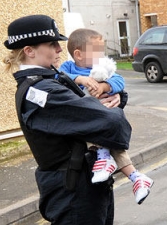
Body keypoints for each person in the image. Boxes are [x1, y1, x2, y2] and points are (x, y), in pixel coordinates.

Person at [3, 14, 132, 224]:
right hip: (74, 191)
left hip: (83, 185)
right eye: (52, 44)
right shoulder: (41, 90)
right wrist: (109, 107)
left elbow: (98, 104)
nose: (60, 49)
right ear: (29, 51)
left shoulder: (51, 79)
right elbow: (112, 123)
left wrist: (115, 96)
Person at [60, 28, 153, 204]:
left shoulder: (103, 67)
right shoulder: (68, 68)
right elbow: (59, 76)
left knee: (105, 138)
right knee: (116, 148)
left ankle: (107, 161)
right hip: (91, 118)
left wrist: (105, 87)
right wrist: (80, 79)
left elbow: (119, 80)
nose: (102, 55)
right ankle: (136, 177)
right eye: (97, 51)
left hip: (104, 116)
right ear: (79, 54)